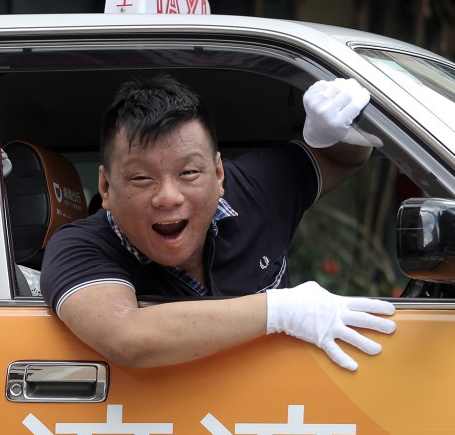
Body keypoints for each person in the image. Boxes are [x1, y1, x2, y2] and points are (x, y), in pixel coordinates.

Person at [40, 74, 396, 370]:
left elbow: (345, 159)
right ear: (105, 186)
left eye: (189, 172)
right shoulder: (79, 247)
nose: (168, 197)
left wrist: (334, 133)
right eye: (141, 179)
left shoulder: (255, 188)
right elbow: (128, 338)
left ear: (219, 173)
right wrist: (283, 310)